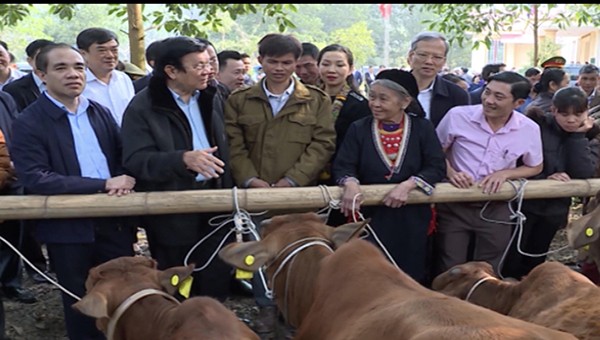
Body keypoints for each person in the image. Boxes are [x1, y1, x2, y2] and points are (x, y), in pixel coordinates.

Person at [10, 43, 137, 340]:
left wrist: (126, 177)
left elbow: (121, 158)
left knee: (125, 293)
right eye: (61, 68)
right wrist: (103, 184)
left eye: (78, 67)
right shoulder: (29, 122)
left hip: (114, 219)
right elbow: (36, 178)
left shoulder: (99, 112)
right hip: (67, 229)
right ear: (41, 74)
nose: (73, 74)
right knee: (80, 300)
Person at [224, 33, 335, 336]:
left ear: (296, 63)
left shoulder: (315, 100)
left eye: (286, 62)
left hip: (300, 197)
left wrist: (293, 180)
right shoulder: (238, 100)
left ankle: (298, 310)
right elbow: (233, 145)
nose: (279, 68)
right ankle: (266, 308)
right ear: (260, 60)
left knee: (302, 255)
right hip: (255, 195)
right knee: (260, 255)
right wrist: (251, 179)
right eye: (272, 62)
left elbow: (323, 144)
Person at [121, 37, 235, 301]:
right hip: (172, 208)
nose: (208, 71)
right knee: (178, 281)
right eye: (198, 66)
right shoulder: (143, 106)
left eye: (209, 64)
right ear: (171, 71)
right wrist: (182, 160)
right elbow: (136, 160)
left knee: (217, 276)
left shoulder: (214, 95)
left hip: (217, 202)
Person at [332, 69, 446, 284]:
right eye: (372, 96)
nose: (375, 103)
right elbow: (343, 165)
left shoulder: (422, 128)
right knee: (368, 274)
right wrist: (350, 182)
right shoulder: (359, 128)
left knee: (409, 273)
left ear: (404, 102)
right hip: (370, 214)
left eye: (383, 98)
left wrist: (409, 185)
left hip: (411, 216)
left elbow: (436, 166)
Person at [434, 71, 543, 277]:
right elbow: (434, 153)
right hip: (454, 203)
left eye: (499, 97)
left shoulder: (529, 129)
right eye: (487, 92)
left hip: (497, 207)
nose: (489, 100)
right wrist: (451, 172)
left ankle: (482, 307)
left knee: (490, 266)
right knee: (450, 265)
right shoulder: (457, 116)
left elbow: (535, 166)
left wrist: (506, 174)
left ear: (518, 102)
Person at [502, 87, 596, 279]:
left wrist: (578, 137)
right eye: (564, 114)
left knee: (536, 256)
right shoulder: (535, 126)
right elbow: (516, 161)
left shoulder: (589, 133)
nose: (571, 120)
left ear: (586, 112)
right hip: (523, 205)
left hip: (555, 208)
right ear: (553, 110)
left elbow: (584, 172)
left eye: (578, 114)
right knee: (510, 257)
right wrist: (543, 178)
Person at [2, 38, 57, 286]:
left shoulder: (4, 99)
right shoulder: (17, 91)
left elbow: (15, 132)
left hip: (10, 175)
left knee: (14, 235)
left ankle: (11, 283)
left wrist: (15, 164)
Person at [406, 31, 470, 128]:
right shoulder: (390, 89)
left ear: (444, 61)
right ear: (411, 56)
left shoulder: (457, 95)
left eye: (437, 57)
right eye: (423, 55)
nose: (429, 61)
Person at [77, 27, 135, 127]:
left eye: (114, 50)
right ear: (83, 54)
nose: (110, 55)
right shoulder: (77, 84)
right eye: (102, 50)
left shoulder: (123, 79)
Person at [3, 39, 55, 112]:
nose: (47, 61)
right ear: (30, 61)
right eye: (41, 58)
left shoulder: (67, 83)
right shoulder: (13, 89)